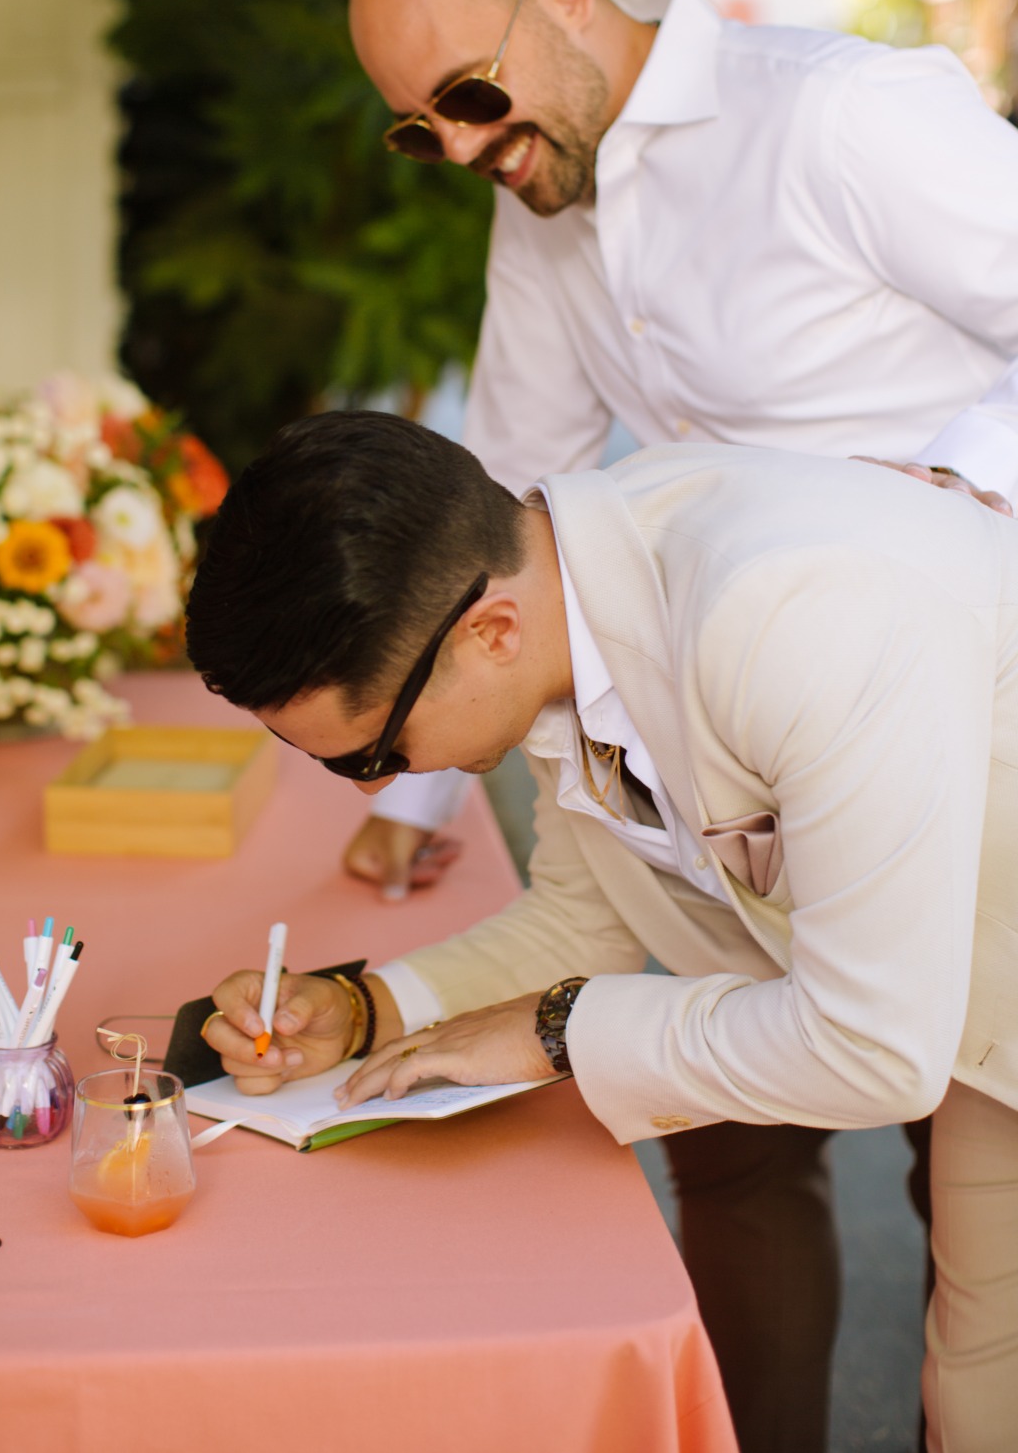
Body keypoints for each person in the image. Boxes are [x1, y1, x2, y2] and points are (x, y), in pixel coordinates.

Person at [188, 410, 1018, 1453]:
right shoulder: (555, 603)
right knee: (981, 1403)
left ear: (487, 631)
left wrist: (562, 1025)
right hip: (986, 1025)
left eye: (373, 753)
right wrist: (365, 1008)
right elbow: (584, 917)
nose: (385, 783)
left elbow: (872, 1048)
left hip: (960, 1007)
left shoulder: (786, 607)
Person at [342, 0, 1018, 902]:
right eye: (419, 129)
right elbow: (510, 470)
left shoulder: (840, 109)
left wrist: (945, 487)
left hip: (975, 713)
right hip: (761, 784)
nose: (464, 146)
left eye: (468, 93)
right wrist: (409, 788)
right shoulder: (536, 194)